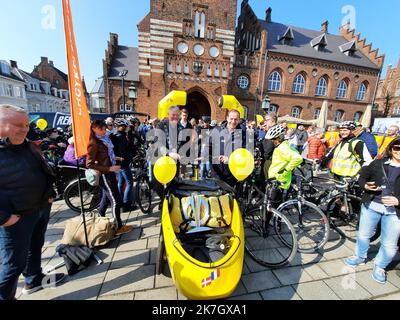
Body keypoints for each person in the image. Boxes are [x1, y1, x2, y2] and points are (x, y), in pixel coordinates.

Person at [0, 104, 65, 300]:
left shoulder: (28, 145)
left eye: (26, 124)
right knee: (13, 264)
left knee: (35, 247)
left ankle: (33, 279)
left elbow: (43, 170)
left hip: (40, 207)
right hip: (15, 218)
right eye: (18, 124)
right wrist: (4, 218)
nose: (24, 129)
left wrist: (50, 193)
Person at [345, 137, 400, 284]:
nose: (399, 152)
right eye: (397, 148)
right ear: (391, 149)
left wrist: (398, 201)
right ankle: (360, 257)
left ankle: (380, 266)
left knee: (389, 244)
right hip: (372, 206)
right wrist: (365, 186)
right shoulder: (379, 163)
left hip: (395, 212)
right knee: (364, 234)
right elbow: (363, 176)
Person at [86, 120, 133, 235]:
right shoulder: (94, 142)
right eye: (101, 129)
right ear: (94, 129)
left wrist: (116, 158)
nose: (104, 131)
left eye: (104, 128)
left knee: (106, 198)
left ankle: (100, 218)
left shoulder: (104, 139)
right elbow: (89, 164)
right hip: (105, 174)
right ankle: (118, 227)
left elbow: (106, 155)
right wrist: (109, 169)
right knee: (115, 200)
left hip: (110, 171)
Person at [211, 109, 247, 187]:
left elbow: (245, 155)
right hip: (216, 172)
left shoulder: (243, 135)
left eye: (236, 119)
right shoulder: (216, 130)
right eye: (231, 119)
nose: (233, 121)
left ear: (239, 120)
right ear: (227, 118)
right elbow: (208, 147)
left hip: (233, 174)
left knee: (231, 197)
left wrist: (231, 159)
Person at [265, 124, 303, 192]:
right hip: (276, 180)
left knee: (275, 201)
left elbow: (298, 158)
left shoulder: (282, 148)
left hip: (280, 182)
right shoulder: (281, 146)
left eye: (274, 139)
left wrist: (286, 170)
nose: (272, 141)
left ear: (280, 138)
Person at [110, 119, 136, 212]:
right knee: (129, 183)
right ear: (120, 126)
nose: (126, 128)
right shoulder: (120, 137)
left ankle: (120, 202)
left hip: (118, 163)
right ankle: (126, 204)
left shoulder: (114, 135)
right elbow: (124, 150)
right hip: (123, 163)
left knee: (121, 183)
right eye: (124, 126)